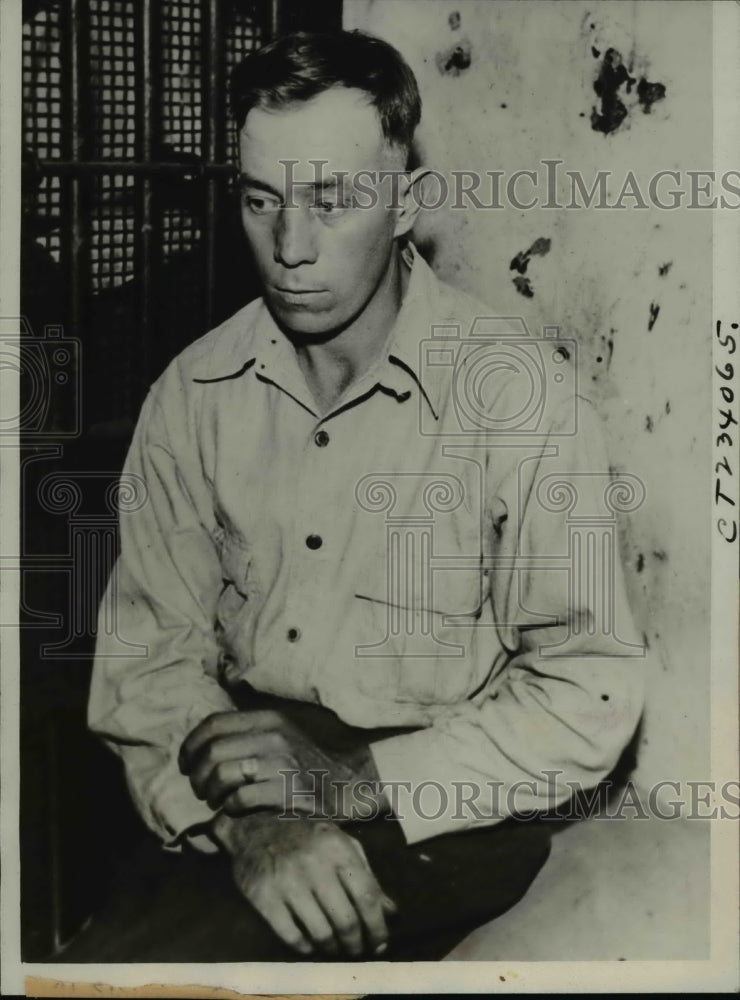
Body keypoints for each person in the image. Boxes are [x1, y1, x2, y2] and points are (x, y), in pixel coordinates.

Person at [86, 29, 644, 962]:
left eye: (331, 201)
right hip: (246, 781)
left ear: (404, 204)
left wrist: (357, 783)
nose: (290, 248)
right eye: (261, 201)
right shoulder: (192, 393)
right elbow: (145, 667)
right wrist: (249, 830)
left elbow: (590, 685)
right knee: (104, 957)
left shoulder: (523, 397)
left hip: (441, 799)